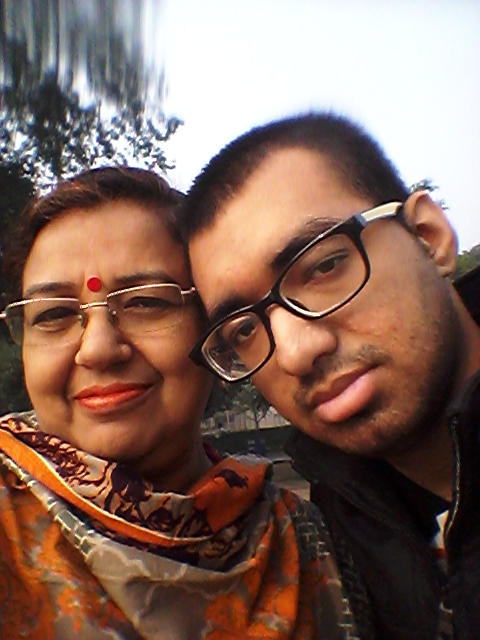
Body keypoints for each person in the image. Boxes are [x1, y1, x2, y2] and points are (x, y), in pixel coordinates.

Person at [0, 166, 360, 639]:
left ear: (215, 332)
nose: (98, 349)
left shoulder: (314, 538)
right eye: (53, 314)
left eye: (145, 303)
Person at [177, 113, 480, 640]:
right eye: (244, 329)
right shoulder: (323, 543)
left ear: (428, 238)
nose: (295, 353)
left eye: (322, 267)